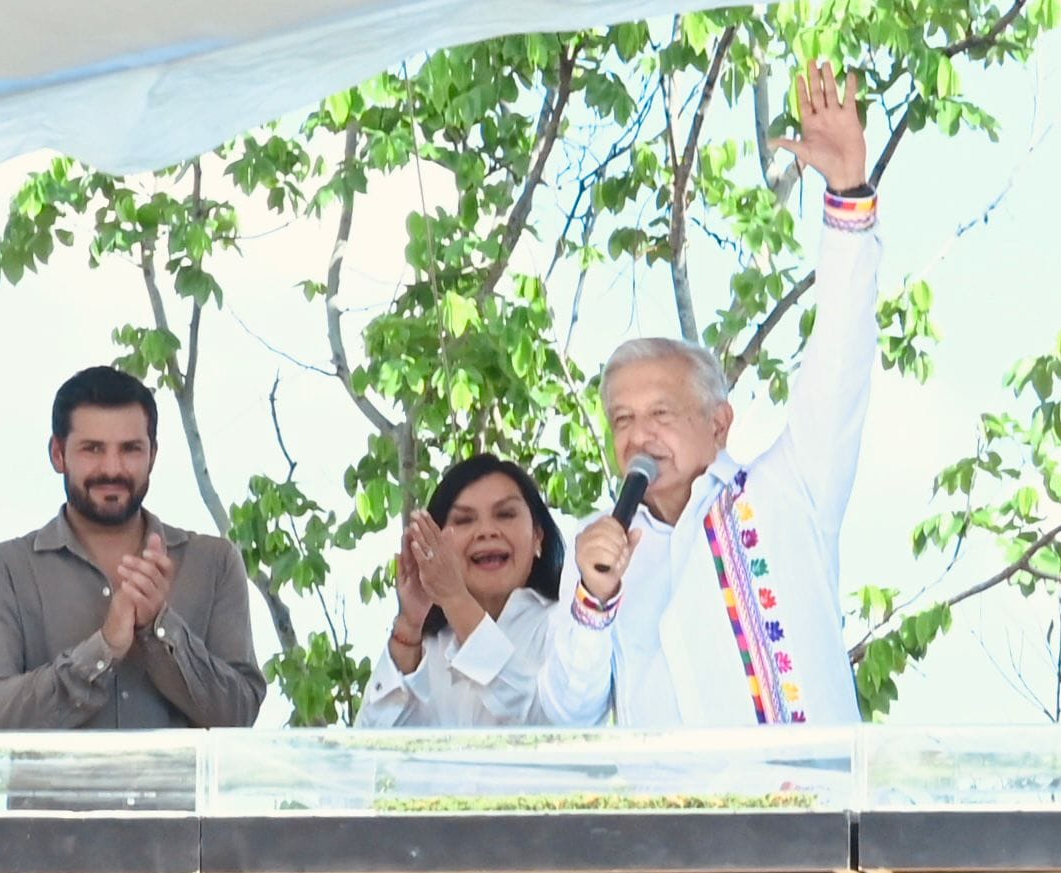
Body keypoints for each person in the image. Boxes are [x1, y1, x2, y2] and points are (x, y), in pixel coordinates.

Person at [540, 60, 881, 727]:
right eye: (621, 420)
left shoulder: (786, 491)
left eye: (660, 414)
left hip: (806, 824)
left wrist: (845, 191)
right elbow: (567, 713)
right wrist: (591, 598)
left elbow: (839, 360)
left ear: (718, 421)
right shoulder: (599, 551)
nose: (637, 436)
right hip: (672, 830)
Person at [0, 366, 266, 729]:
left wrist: (159, 629)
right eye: (92, 449)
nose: (112, 468)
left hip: (181, 789)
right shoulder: (2, 571)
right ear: (58, 454)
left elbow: (239, 716)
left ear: (152, 455)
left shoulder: (214, 563)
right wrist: (102, 650)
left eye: (131, 449)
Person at [358, 453, 580, 726]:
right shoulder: (428, 647)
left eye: (505, 514)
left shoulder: (568, 625)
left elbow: (549, 721)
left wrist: (455, 600)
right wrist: (409, 625)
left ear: (538, 537)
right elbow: (368, 751)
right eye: (464, 520)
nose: (486, 531)